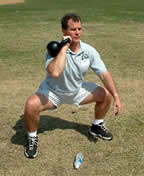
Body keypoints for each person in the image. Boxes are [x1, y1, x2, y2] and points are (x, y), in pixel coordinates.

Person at [24, 13, 122, 159]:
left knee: (106, 95)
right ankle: (32, 138)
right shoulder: (54, 49)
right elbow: (55, 72)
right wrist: (64, 48)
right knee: (30, 105)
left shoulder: (88, 51)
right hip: (53, 92)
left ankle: (97, 125)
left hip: (76, 91)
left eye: (79, 29)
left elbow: (104, 74)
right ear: (64, 32)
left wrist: (116, 96)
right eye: (73, 29)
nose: (77, 32)